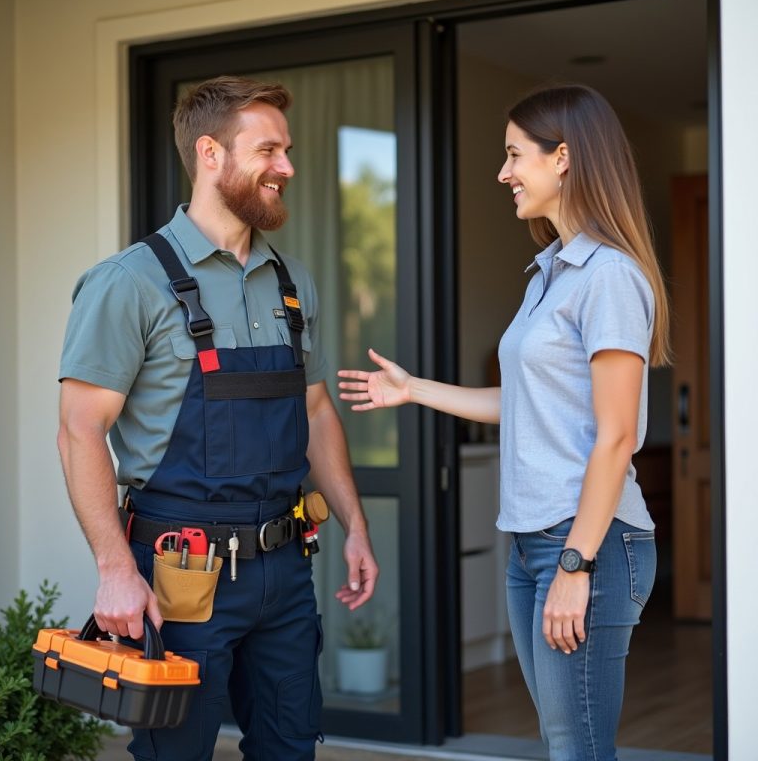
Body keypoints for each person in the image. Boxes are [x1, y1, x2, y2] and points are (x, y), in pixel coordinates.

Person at [338, 84, 669, 761]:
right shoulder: (548, 274)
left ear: (565, 158)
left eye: (515, 155)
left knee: (576, 745)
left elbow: (615, 436)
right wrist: (414, 390)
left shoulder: (609, 277)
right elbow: (520, 401)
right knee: (561, 738)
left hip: (587, 546)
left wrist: (576, 564)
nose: (503, 172)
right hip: (532, 541)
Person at [57, 75, 378, 761]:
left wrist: (356, 526)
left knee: (290, 747)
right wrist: (115, 568)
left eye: (287, 150)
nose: (287, 167)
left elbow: (316, 412)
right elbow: (79, 429)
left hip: (286, 571)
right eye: (269, 151)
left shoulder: (293, 284)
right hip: (178, 575)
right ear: (211, 154)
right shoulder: (128, 282)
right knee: (175, 753)